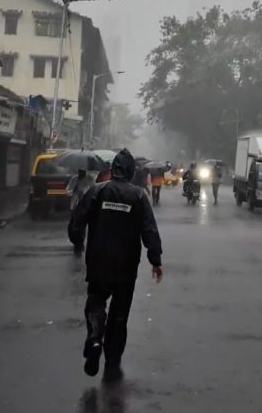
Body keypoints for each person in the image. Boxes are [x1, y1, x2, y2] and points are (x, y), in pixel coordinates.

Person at [68, 149, 163, 381]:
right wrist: (155, 260)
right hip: (126, 267)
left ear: (113, 170)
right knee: (120, 314)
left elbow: (77, 221)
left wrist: (77, 238)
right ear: (130, 172)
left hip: (98, 262)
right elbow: (149, 230)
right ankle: (112, 357)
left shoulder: (97, 191)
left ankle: (95, 336)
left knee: (96, 302)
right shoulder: (139, 197)